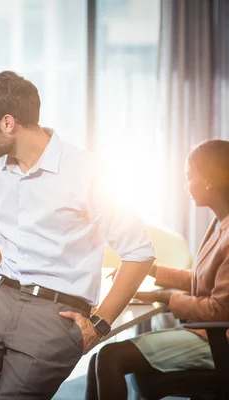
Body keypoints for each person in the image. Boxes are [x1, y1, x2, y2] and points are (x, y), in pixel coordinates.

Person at [0, 71, 156, 399]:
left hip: (56, 314)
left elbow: (139, 252)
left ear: (8, 123)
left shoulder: (88, 172)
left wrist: (100, 325)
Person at [85, 139, 229, 400]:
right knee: (98, 357)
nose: (186, 186)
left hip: (218, 342)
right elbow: (202, 280)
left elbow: (218, 310)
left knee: (109, 357)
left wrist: (163, 297)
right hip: (207, 334)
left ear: (209, 180)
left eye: (190, 177)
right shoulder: (220, 222)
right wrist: (148, 268)